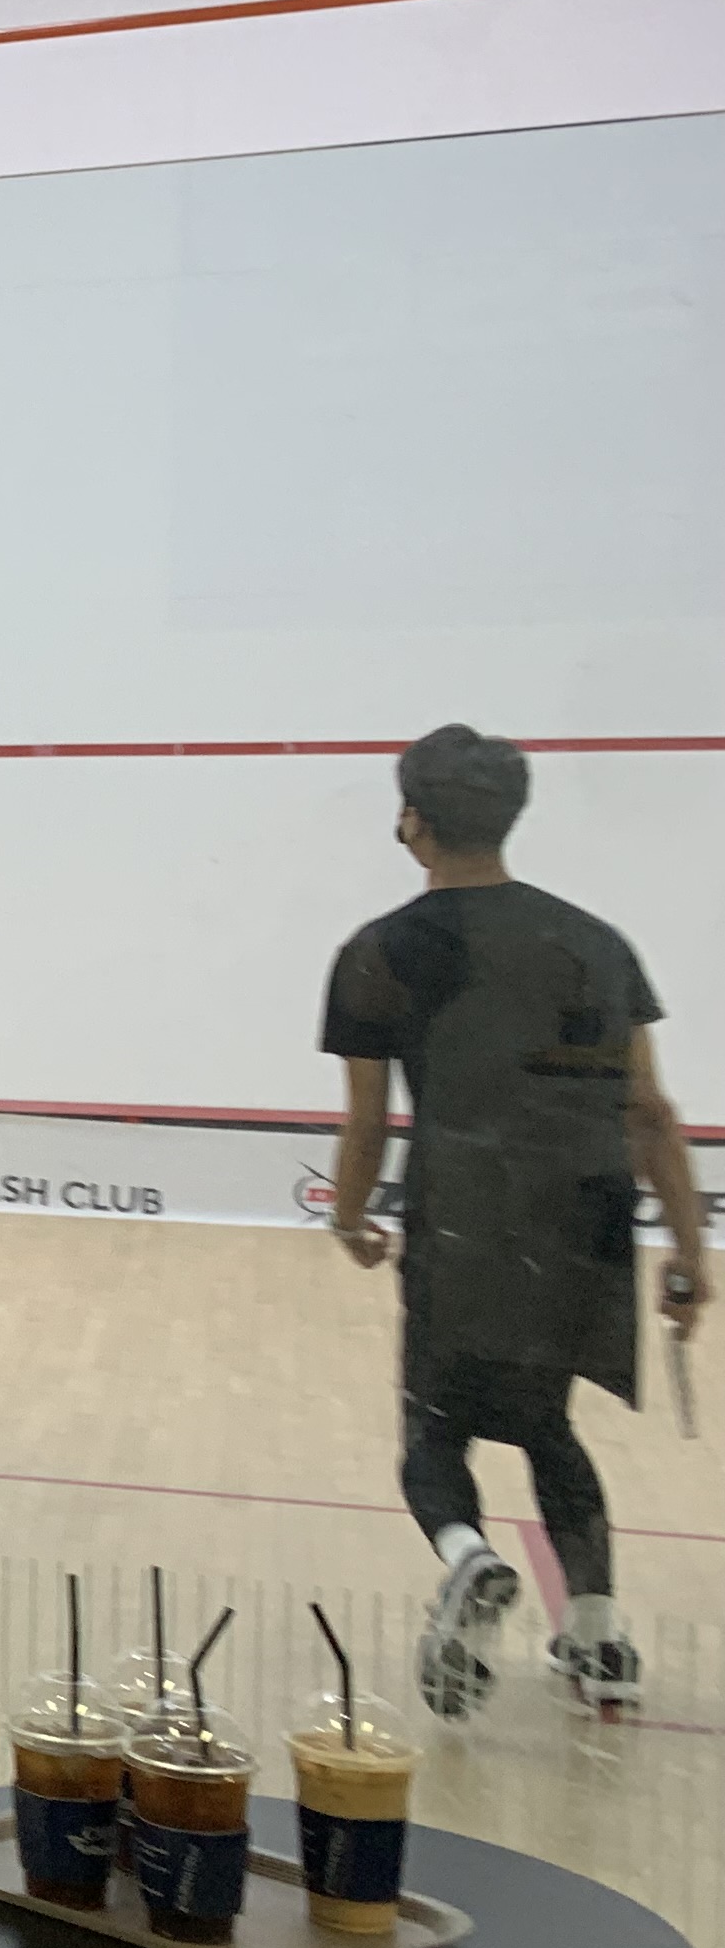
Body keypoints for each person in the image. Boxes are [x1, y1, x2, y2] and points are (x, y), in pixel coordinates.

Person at [322, 724, 704, 1718]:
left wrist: (350, 1220)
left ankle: (468, 1558)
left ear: (412, 821)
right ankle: (598, 1635)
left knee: (434, 1431)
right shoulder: (595, 945)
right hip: (585, 1221)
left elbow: (367, 1124)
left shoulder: (378, 952)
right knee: (546, 1423)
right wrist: (690, 1251)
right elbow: (650, 1112)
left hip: (463, 1220)